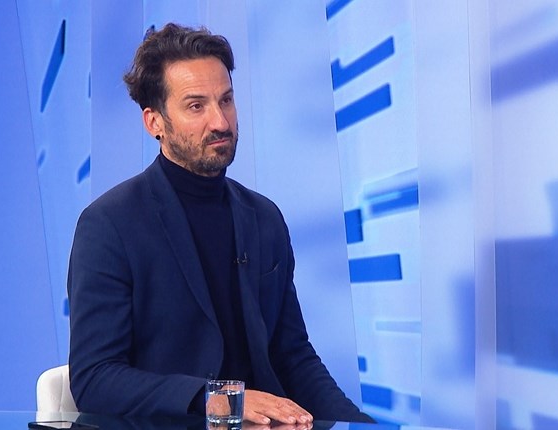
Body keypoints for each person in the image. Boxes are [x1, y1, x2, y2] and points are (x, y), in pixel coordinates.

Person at [67, 23, 373, 425]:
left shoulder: (264, 217)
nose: (221, 122)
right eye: (196, 106)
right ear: (154, 122)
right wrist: (217, 400)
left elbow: (293, 357)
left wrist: (360, 425)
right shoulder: (109, 224)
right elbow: (94, 378)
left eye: (226, 100)